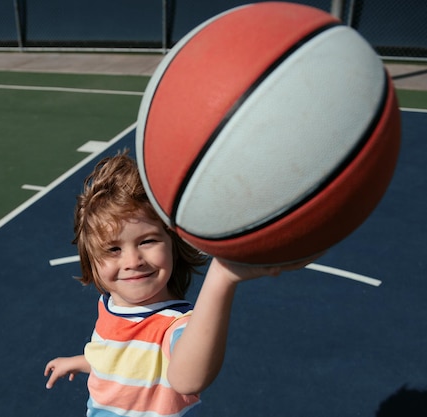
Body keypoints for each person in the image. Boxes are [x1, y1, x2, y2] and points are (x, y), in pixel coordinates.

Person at [44, 151, 319, 416]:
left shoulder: (175, 326)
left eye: (147, 241)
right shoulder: (112, 305)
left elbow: (188, 379)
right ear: (91, 262)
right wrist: (82, 362)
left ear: (173, 246)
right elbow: (118, 357)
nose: (133, 260)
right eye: (113, 250)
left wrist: (221, 277)